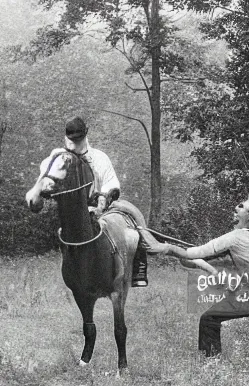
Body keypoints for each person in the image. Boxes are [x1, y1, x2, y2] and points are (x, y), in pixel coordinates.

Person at [139, 195, 249, 359]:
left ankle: (211, 363)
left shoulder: (235, 237)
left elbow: (193, 253)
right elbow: (194, 260)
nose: (236, 207)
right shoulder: (244, 236)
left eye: (242, 205)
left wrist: (166, 248)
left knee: (209, 319)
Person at [39, 117, 163, 287]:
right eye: (71, 139)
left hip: (101, 207)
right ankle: (72, 270)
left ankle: (139, 266)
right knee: (64, 230)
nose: (74, 143)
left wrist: (104, 196)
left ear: (85, 136)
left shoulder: (99, 157)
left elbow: (112, 181)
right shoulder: (61, 159)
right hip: (76, 210)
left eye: (78, 139)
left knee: (132, 220)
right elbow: (51, 178)